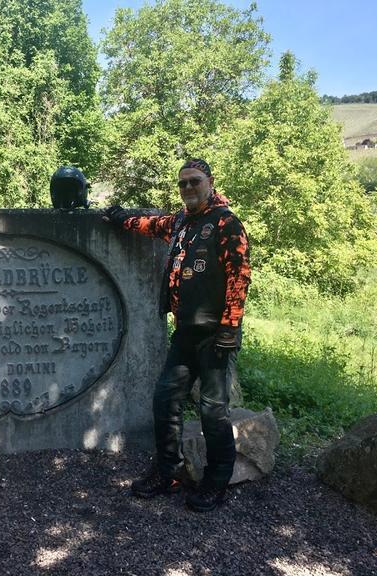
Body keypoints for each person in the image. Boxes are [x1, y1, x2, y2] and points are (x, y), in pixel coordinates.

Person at [103, 158, 251, 512]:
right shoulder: (183, 221)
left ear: (210, 182)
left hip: (216, 334)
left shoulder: (226, 223)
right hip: (184, 332)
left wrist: (230, 329)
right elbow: (151, 225)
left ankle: (216, 483)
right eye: (182, 183)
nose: (187, 189)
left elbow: (239, 277)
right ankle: (168, 471)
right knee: (165, 399)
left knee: (213, 411)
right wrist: (119, 216)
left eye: (194, 182)